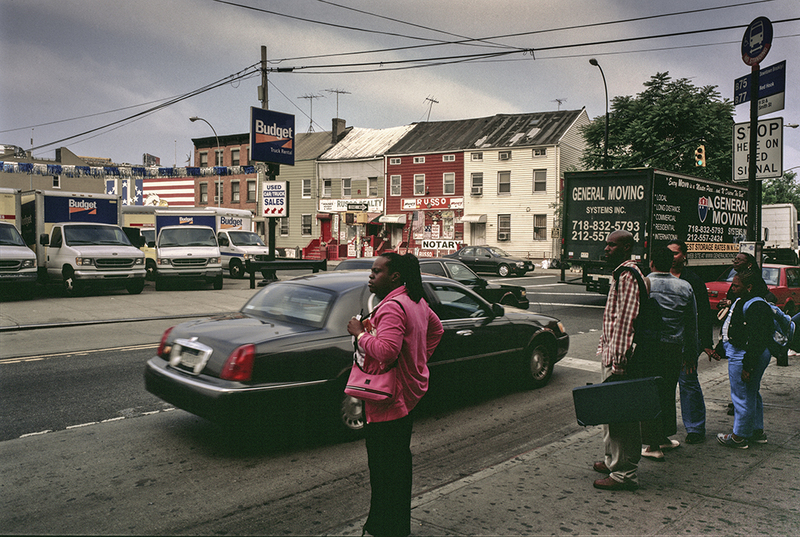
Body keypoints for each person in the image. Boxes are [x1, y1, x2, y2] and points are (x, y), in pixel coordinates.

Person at [347, 253, 443, 537]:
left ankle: (383, 529)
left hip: (386, 400)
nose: (370, 276)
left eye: (377, 272)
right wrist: (416, 360)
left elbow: (386, 350)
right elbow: (436, 330)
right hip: (407, 395)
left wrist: (359, 334)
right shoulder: (415, 300)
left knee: (383, 471)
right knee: (398, 467)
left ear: (395, 277)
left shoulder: (392, 307)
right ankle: (394, 528)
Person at [593, 230, 647, 491]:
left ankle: (623, 473)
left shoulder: (628, 276)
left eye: (612, 245)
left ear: (626, 248)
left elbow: (626, 323)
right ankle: (612, 460)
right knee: (610, 414)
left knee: (620, 417)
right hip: (612, 355)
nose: (606, 249)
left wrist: (618, 363)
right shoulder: (621, 274)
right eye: (606, 245)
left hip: (620, 359)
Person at [640, 246, 698, 460]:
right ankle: (664, 437)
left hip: (651, 347)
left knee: (651, 394)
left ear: (652, 263)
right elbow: (692, 323)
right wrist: (691, 352)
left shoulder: (645, 282)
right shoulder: (685, 286)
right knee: (667, 392)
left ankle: (653, 445)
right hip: (674, 348)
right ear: (671, 263)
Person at [668, 240, 720, 444]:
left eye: (676, 253)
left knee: (688, 381)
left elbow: (704, 313)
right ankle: (664, 427)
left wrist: (706, 342)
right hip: (664, 340)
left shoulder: (693, 280)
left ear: (684, 256)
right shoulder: (657, 277)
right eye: (669, 253)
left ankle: (695, 427)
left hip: (688, 341)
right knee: (664, 384)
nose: (673, 257)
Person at [717, 269, 773, 449]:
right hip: (748, 354)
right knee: (750, 393)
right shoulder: (745, 301)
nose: (732, 288)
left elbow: (756, 339)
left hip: (745, 355)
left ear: (748, 287)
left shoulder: (755, 305)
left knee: (741, 396)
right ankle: (756, 432)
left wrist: (747, 366)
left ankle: (739, 436)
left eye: (736, 285)